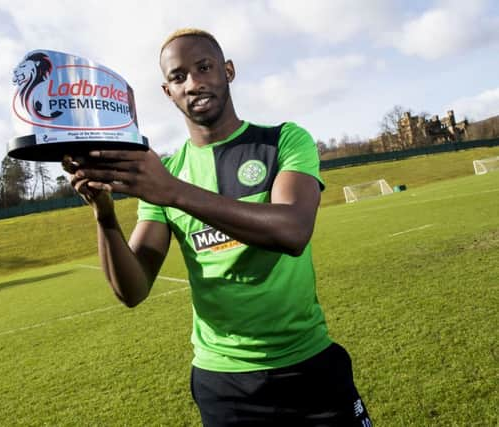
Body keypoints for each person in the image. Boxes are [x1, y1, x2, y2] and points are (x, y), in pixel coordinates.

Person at [63, 28, 372, 427]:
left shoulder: (283, 141)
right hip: (225, 385)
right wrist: (104, 213)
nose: (193, 83)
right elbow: (133, 289)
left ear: (227, 71)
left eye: (204, 67)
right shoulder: (169, 172)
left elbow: (293, 231)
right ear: (167, 92)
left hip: (308, 366)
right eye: (178, 77)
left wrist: (173, 192)